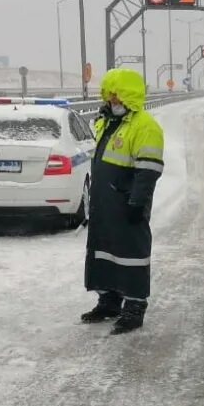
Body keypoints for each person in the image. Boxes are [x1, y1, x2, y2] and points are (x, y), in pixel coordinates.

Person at [82, 67, 165, 334]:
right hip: (103, 203)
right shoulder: (105, 121)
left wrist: (137, 203)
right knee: (103, 251)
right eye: (109, 95)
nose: (112, 101)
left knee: (131, 255)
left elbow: (148, 170)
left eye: (117, 96)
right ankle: (108, 301)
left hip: (127, 203)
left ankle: (134, 306)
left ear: (129, 96)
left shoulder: (145, 126)